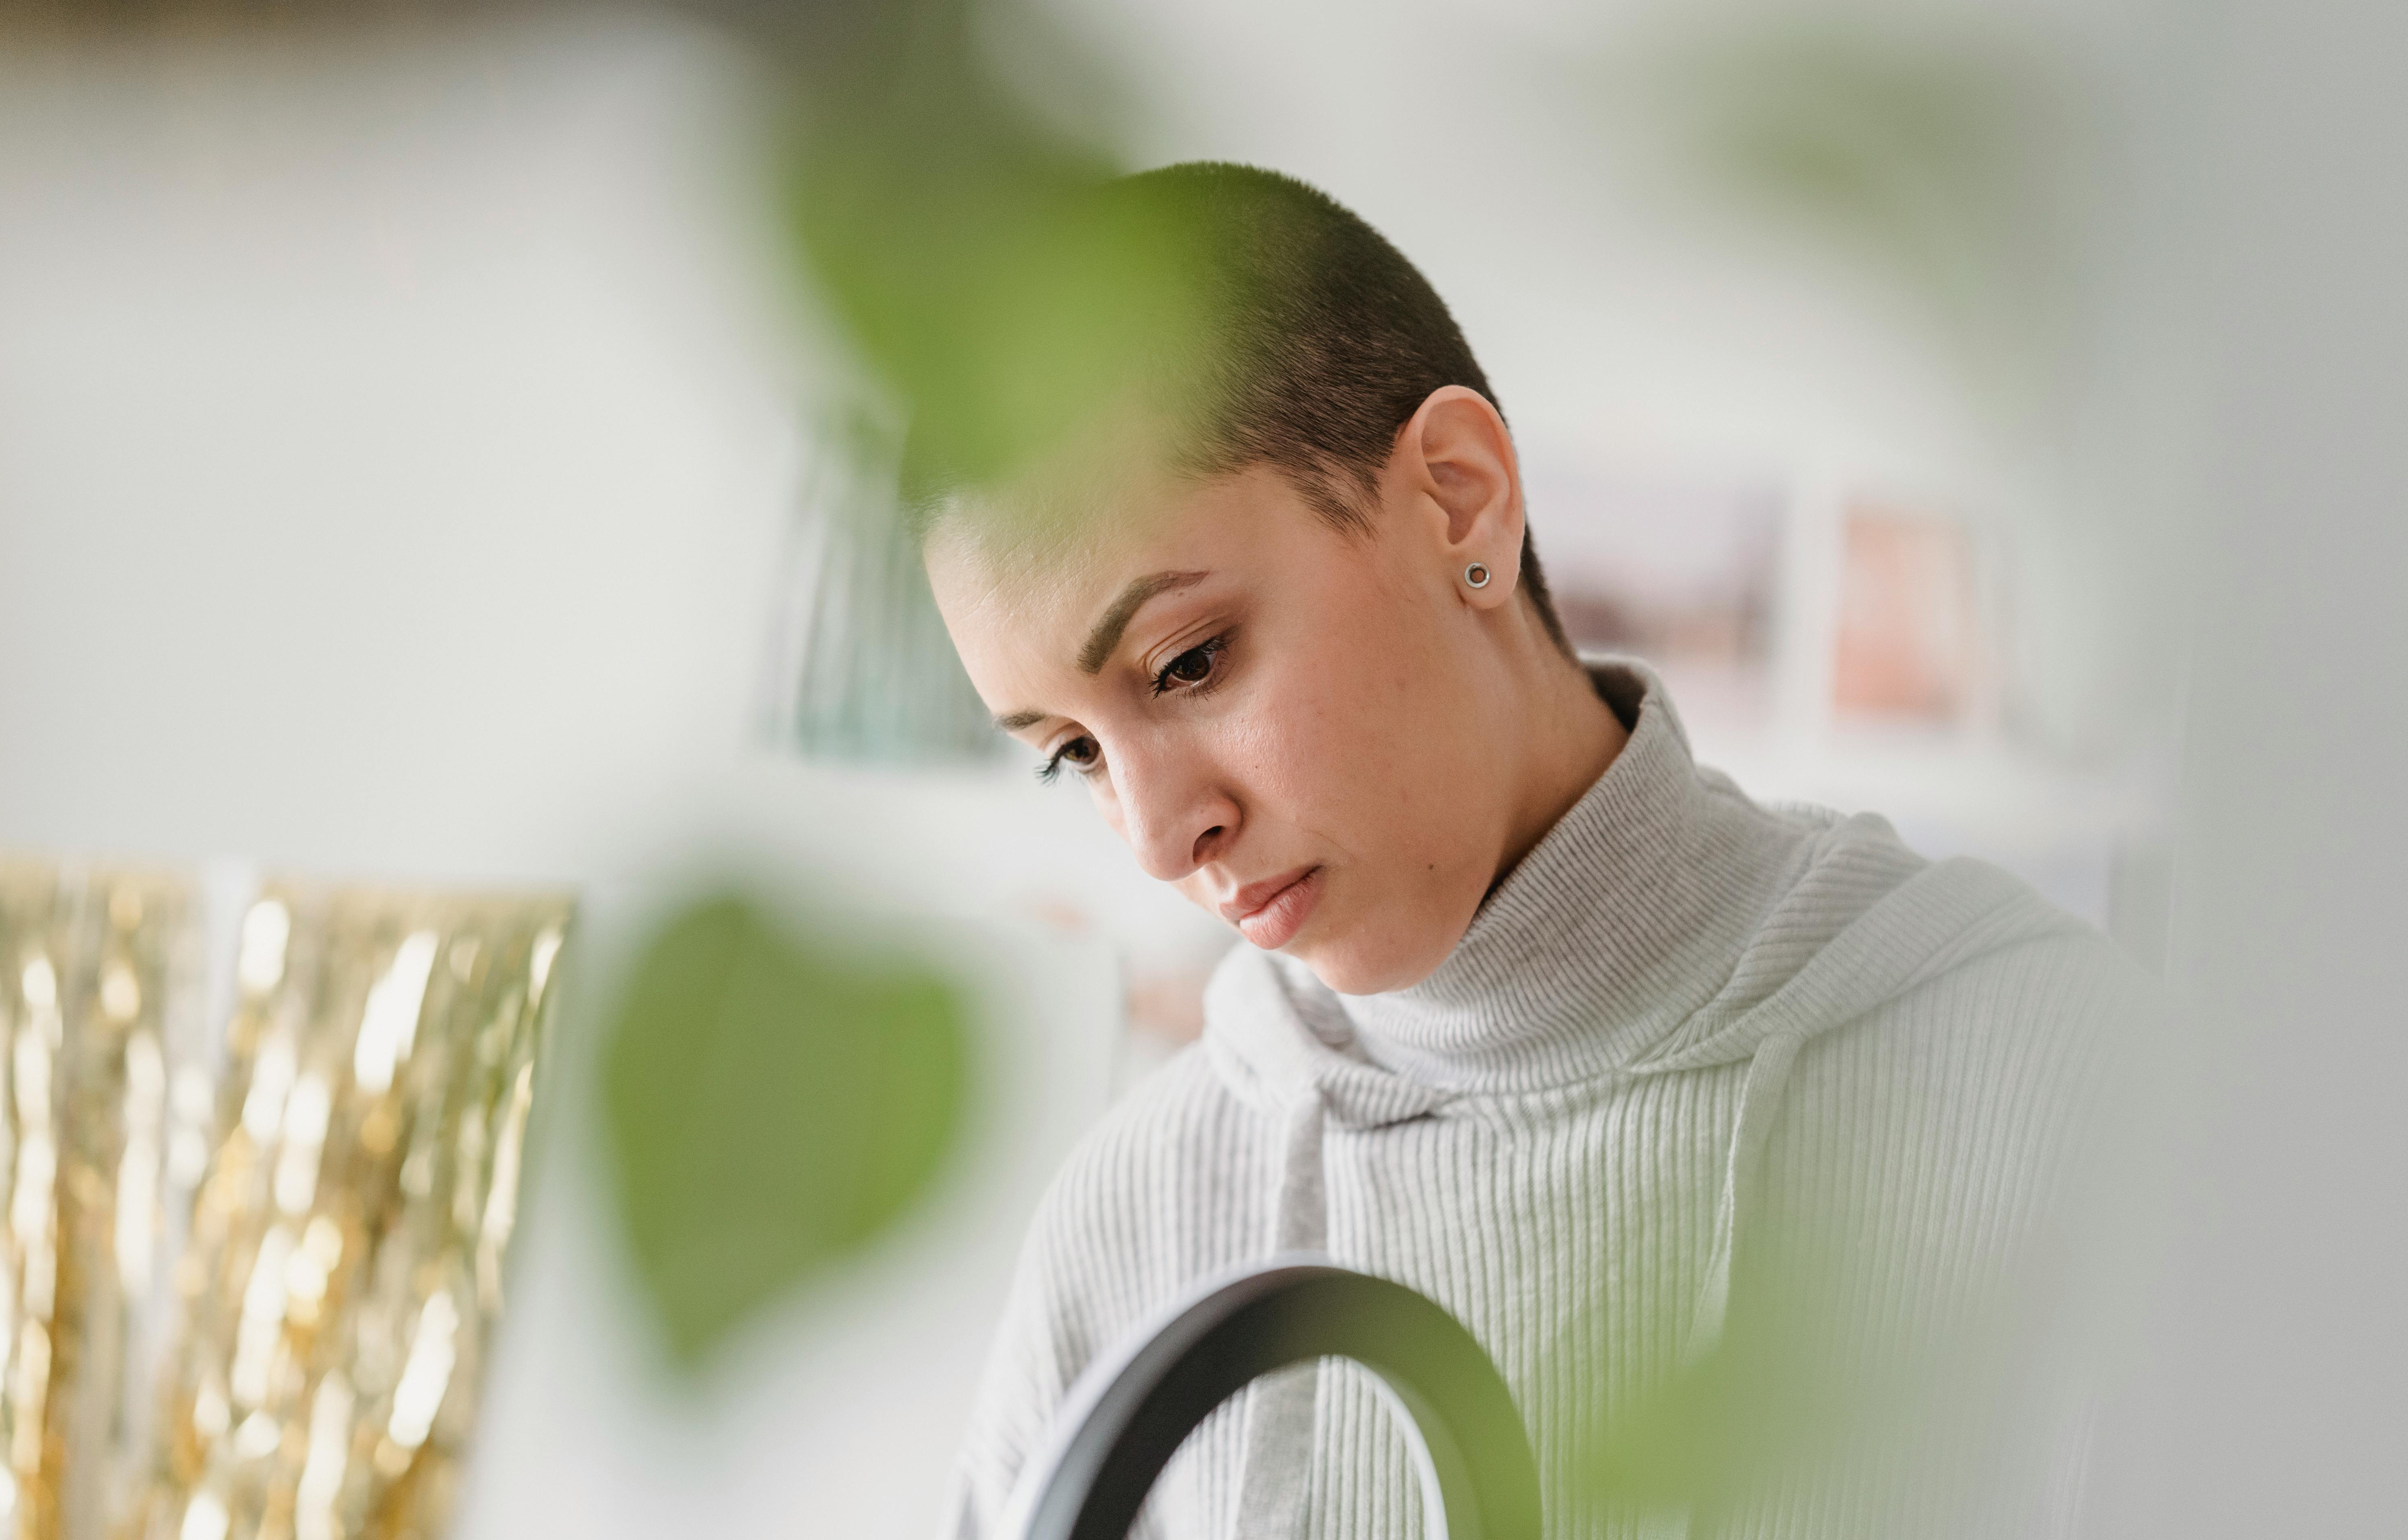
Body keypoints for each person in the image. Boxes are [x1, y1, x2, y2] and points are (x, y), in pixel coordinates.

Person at [917, 163, 2147, 1539]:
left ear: (1459, 500)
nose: (1155, 838)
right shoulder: (1135, 1213)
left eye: (1191, 661)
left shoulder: (2060, 1082)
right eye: (1073, 751)